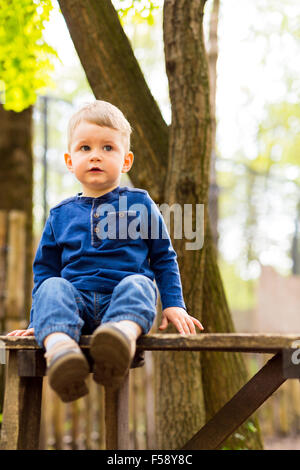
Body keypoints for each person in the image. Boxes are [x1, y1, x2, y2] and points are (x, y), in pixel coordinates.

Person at [7, 100, 204, 402]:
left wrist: (174, 303)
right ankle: (61, 350)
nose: (96, 155)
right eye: (85, 148)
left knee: (139, 283)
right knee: (52, 285)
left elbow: (163, 257)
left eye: (108, 148)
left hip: (123, 304)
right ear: (70, 160)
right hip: (76, 307)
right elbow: (45, 269)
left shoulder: (140, 204)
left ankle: (118, 339)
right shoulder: (60, 215)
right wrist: (39, 321)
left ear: (126, 161)